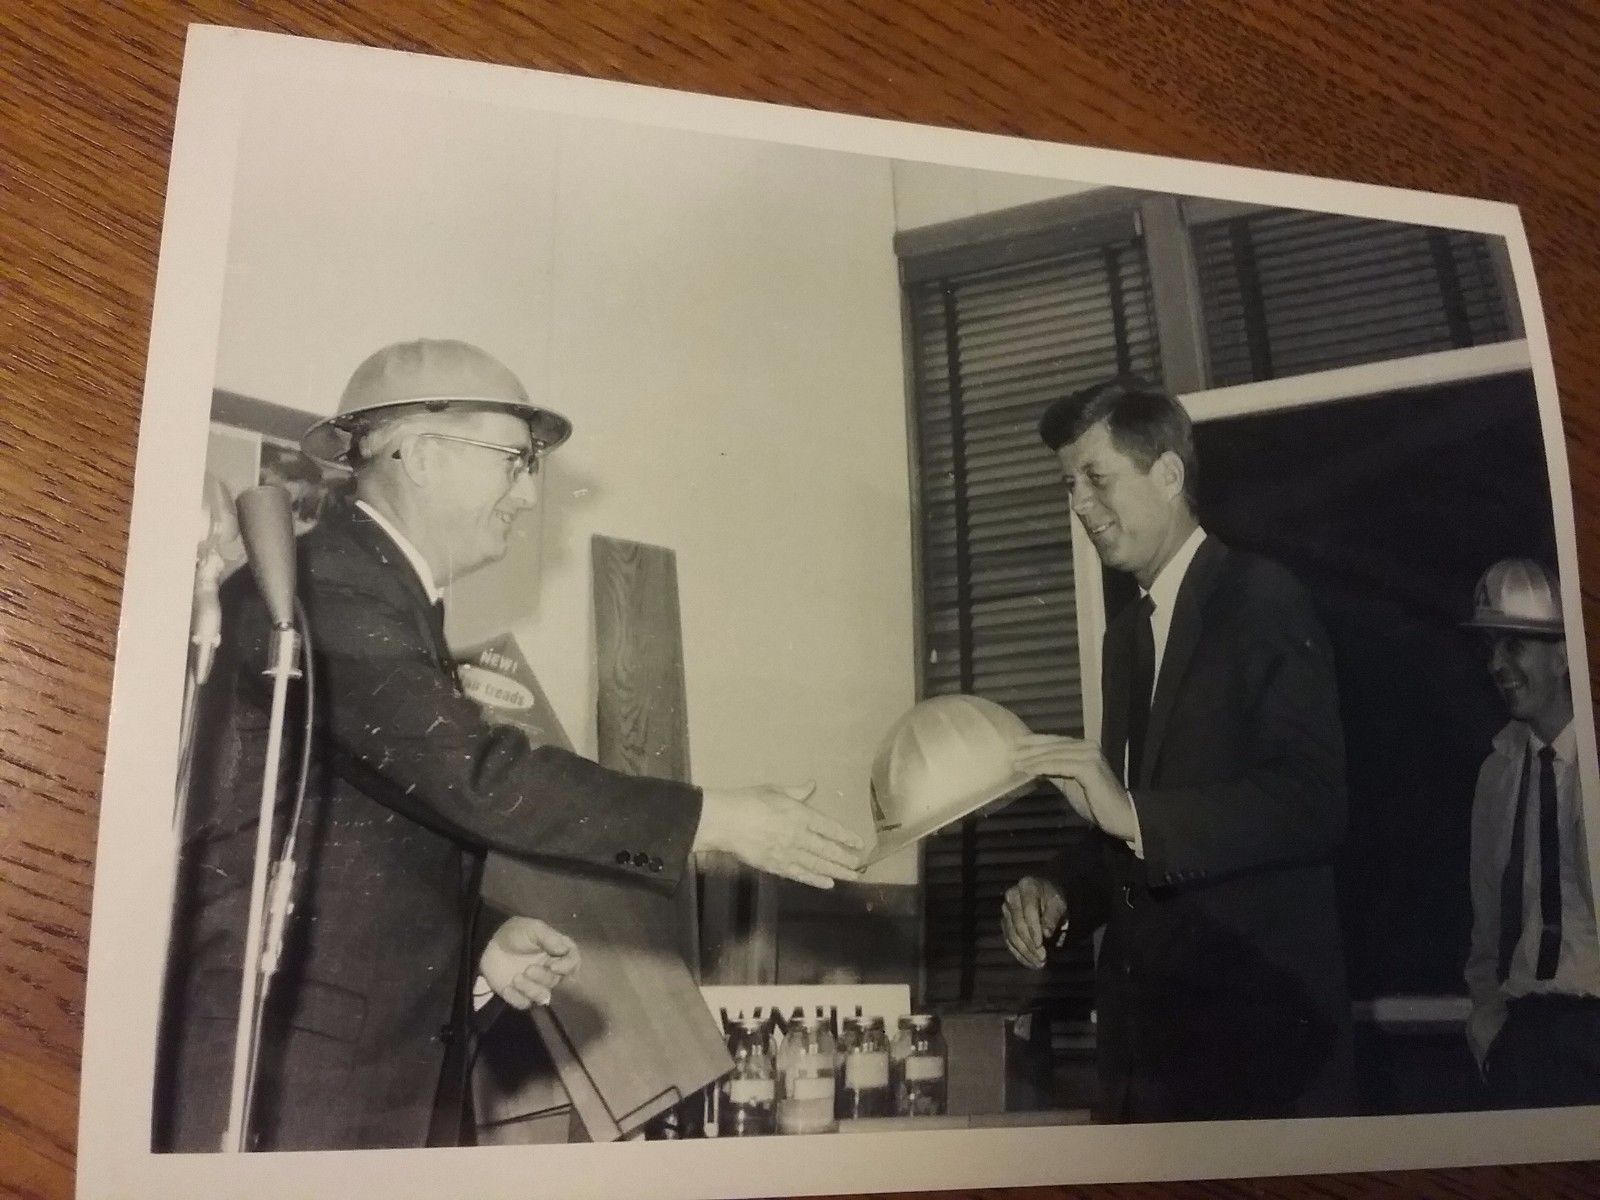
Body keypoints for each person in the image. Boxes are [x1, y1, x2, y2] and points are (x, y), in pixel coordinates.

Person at [156, 338, 865, 1152]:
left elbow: (361, 823)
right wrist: (718, 819)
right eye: (514, 462)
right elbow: (475, 775)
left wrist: (480, 941)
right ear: (422, 455)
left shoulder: (377, 588)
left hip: (353, 1062)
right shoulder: (329, 585)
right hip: (292, 1072)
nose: (528, 496)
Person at [999, 376, 1353, 1122]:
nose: (1079, 505)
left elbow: (1312, 804)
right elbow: (1132, 833)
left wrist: (1130, 815)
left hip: (1256, 1061)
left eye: (1096, 478)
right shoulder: (1126, 637)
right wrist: (1060, 889)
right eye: (1069, 486)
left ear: (1167, 473)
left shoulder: (1261, 597)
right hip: (1146, 1064)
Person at [1461, 558, 1600, 1108]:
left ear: (1563, 655)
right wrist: (1488, 1024)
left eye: (1514, 645)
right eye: (1490, 647)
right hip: (1529, 1039)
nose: (1497, 664)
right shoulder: (1497, 772)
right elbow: (1486, 924)